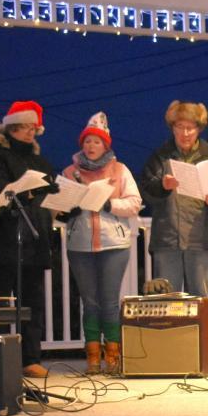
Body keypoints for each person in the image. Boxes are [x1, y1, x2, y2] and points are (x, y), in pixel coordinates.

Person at [0, 100, 56, 378]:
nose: (29, 133)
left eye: (33, 128)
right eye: (22, 128)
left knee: (32, 302)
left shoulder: (39, 159)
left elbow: (49, 189)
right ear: (10, 128)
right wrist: (28, 192)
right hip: (2, 239)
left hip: (34, 240)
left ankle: (30, 358)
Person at [60, 112, 142, 376]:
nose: (91, 146)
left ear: (106, 145)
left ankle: (113, 356)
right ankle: (93, 357)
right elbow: (56, 206)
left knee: (108, 301)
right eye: (87, 142)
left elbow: (134, 202)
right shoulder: (70, 173)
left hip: (114, 244)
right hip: (80, 245)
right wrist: (65, 212)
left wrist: (110, 204)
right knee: (89, 301)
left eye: (96, 142)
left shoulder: (120, 170)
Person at [139, 101, 208, 303]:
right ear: (172, 128)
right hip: (167, 240)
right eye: (180, 127)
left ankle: (205, 336)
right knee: (167, 301)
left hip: (199, 239)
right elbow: (146, 189)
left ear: (199, 129)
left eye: (190, 128)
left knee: (202, 302)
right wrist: (162, 186)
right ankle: (170, 337)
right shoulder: (160, 157)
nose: (185, 133)